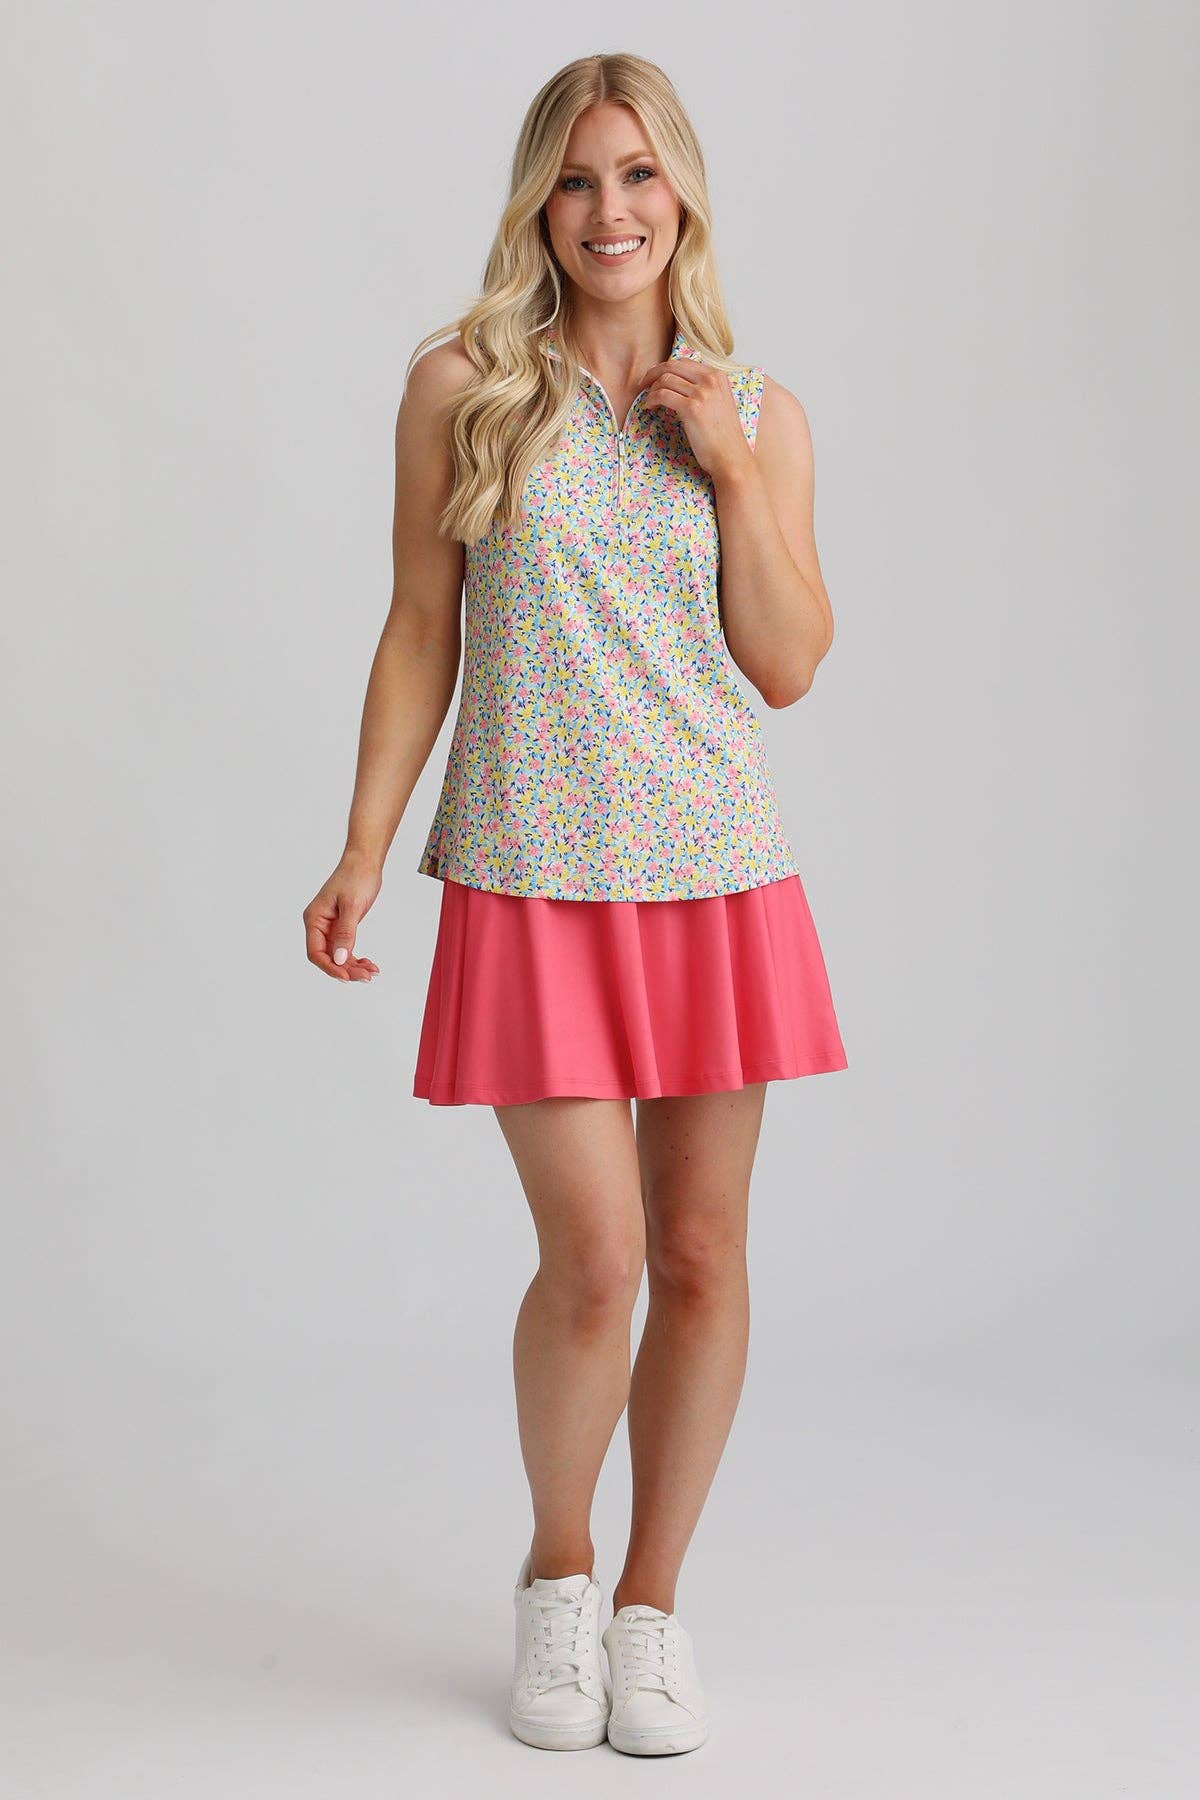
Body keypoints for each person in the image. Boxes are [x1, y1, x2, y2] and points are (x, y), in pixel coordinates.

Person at [303, 51, 848, 1757]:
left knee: (700, 1254)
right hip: (533, 873)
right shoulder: (463, 386)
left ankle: (652, 1610)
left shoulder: (758, 411)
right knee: (597, 1260)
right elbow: (419, 626)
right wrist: (365, 843)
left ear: (682, 194)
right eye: (577, 178)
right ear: (539, 201)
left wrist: (730, 466)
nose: (610, 211)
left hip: (714, 878)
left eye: (639, 175)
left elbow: (790, 664)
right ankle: (559, 1573)